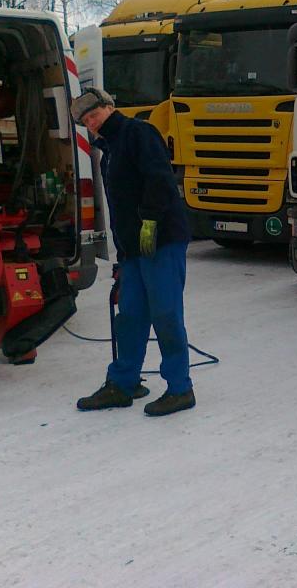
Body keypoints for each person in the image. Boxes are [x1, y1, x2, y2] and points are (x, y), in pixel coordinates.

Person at [70, 87, 195, 416]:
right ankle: (123, 384)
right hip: (134, 249)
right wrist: (123, 256)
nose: (92, 123)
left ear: (110, 106)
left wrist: (151, 222)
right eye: (85, 121)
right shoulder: (107, 147)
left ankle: (180, 388)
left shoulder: (138, 133)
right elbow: (120, 207)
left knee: (165, 313)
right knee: (130, 315)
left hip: (162, 240)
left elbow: (159, 180)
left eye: (94, 115)